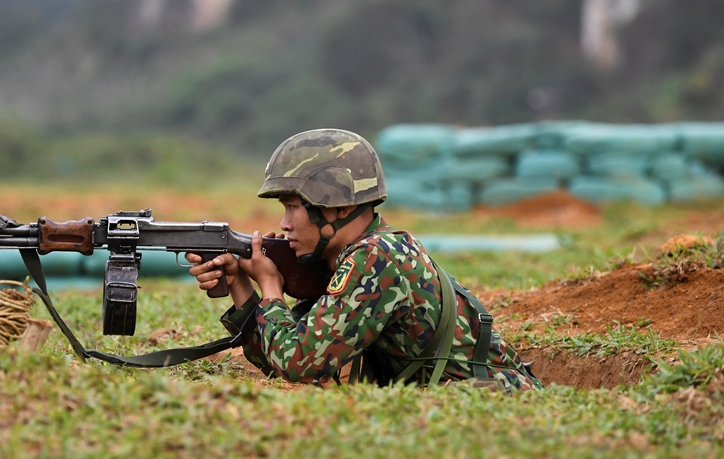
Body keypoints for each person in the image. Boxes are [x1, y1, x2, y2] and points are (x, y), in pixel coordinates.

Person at [187, 128, 541, 391]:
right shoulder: (348, 257)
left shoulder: (375, 258)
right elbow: (277, 358)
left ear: (338, 206)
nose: (284, 223)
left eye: (293, 208)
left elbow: (299, 363)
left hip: (494, 392)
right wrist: (240, 285)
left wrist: (270, 287)